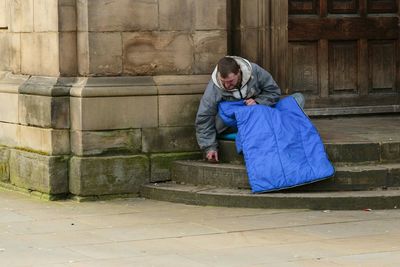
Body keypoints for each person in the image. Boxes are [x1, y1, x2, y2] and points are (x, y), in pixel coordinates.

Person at [195, 56, 305, 163]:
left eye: (230, 81)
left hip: (258, 114)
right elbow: (204, 116)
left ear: (239, 72)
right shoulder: (214, 86)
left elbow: (274, 92)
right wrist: (210, 147)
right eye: (223, 81)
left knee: (297, 99)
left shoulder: (255, 71)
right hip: (233, 123)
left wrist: (258, 102)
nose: (226, 85)